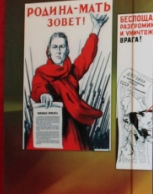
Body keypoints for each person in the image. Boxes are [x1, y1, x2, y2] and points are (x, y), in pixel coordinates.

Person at [27, 14, 108, 151]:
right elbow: (38, 87)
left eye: (62, 47)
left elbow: (86, 56)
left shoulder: (72, 72)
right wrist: (44, 95)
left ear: (67, 50)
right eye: (55, 47)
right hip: (48, 126)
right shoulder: (41, 73)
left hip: (72, 129)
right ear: (49, 51)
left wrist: (96, 28)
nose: (58, 51)